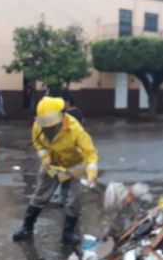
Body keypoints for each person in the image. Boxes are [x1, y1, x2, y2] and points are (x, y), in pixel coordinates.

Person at [13, 96, 99, 244]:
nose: (48, 127)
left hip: (75, 166)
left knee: (74, 200)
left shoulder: (75, 129)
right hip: (53, 164)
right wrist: (46, 158)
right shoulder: (38, 125)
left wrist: (91, 176)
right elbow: (38, 143)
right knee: (41, 194)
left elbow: (90, 154)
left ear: (61, 116)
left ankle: (68, 233)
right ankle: (27, 227)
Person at [51, 91, 84, 205]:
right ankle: (62, 196)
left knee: (66, 173)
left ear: (67, 102)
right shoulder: (78, 112)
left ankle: (63, 198)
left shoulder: (71, 115)